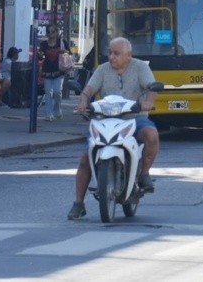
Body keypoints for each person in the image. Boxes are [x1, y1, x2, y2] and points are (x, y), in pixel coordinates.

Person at [67, 37, 160, 220]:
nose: (111, 57)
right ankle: (78, 203)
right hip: (105, 119)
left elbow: (151, 87)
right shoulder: (102, 69)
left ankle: (144, 174)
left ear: (128, 55)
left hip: (133, 119)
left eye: (116, 53)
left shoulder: (140, 67)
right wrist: (83, 102)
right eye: (110, 52)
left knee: (151, 134)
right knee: (86, 157)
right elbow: (88, 90)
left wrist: (148, 102)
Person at [38, 24, 69, 122]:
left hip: (59, 69)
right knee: (48, 93)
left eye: (53, 32)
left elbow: (70, 53)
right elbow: (40, 57)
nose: (51, 34)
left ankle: (57, 110)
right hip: (47, 69)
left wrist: (65, 52)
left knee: (57, 92)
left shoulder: (62, 42)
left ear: (57, 32)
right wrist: (40, 54)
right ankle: (48, 113)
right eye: (49, 32)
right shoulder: (44, 44)